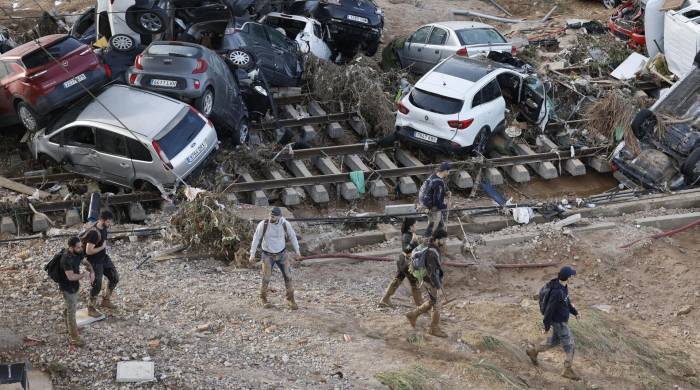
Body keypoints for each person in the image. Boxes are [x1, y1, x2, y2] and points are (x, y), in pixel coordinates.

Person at [526, 266, 581, 381]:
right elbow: (549, 310)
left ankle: (533, 351)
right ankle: (567, 370)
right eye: (571, 275)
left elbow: (567, 302)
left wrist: (575, 312)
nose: (571, 277)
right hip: (559, 322)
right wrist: (546, 326)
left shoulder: (563, 286)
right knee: (570, 345)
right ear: (568, 277)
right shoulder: (556, 292)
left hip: (561, 320)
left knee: (554, 341)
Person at [249, 207, 301, 310]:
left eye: (274, 215)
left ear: (279, 216)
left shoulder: (285, 224)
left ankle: (290, 299)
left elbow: (292, 237)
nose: (271, 217)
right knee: (266, 278)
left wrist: (298, 251)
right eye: (270, 215)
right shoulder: (263, 225)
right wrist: (252, 255)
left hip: (282, 254)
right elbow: (256, 239)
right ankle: (262, 299)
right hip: (267, 255)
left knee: (288, 277)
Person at [404, 229, 448, 338]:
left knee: (432, 301)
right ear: (437, 239)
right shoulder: (432, 253)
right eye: (443, 239)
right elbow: (432, 272)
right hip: (430, 280)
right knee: (436, 304)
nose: (445, 241)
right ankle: (434, 329)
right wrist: (438, 287)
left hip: (427, 279)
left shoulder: (431, 246)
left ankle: (413, 314)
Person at [378, 218, 423, 308]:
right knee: (414, 283)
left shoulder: (410, 235)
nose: (416, 227)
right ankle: (421, 306)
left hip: (403, 262)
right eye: (415, 225)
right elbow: (406, 249)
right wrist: (412, 241)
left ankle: (384, 300)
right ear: (411, 227)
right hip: (407, 263)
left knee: (397, 280)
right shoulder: (407, 236)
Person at [59, 237, 94, 347]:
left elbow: (84, 261)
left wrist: (91, 270)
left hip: (75, 285)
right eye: (78, 247)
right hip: (67, 287)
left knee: (69, 307)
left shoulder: (78, 251)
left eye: (81, 246)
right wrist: (84, 275)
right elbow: (70, 277)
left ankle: (68, 328)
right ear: (71, 247)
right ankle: (74, 338)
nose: (81, 249)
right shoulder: (66, 258)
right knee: (71, 311)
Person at [85, 210, 119, 317]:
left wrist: (102, 249)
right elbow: (88, 251)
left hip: (103, 258)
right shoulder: (93, 233)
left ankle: (105, 300)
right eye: (108, 222)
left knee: (114, 277)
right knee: (97, 285)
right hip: (94, 262)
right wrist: (101, 247)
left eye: (110, 222)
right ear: (102, 220)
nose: (110, 224)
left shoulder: (104, 227)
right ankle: (91, 308)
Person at [422, 162, 451, 239]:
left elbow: (433, 191)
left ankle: (438, 241)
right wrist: (444, 206)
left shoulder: (433, 176)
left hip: (426, 203)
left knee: (440, 225)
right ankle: (426, 241)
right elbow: (437, 200)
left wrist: (445, 193)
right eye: (448, 171)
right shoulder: (439, 182)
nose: (449, 173)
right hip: (433, 207)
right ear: (445, 171)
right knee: (433, 226)